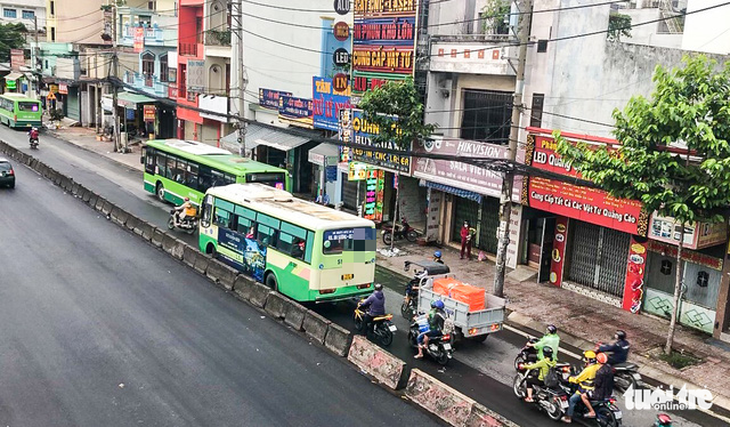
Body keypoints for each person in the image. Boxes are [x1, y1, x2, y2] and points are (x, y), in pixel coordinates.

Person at [562, 350, 600, 424]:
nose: (585, 360)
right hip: (595, 388)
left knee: (572, 400)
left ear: (589, 360)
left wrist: (568, 379)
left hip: (585, 390)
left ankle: (568, 418)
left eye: (586, 358)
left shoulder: (588, 370)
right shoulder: (597, 366)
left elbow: (577, 379)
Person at [579, 352, 614, 420]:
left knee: (583, 396)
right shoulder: (610, 369)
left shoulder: (599, 372)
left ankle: (592, 412)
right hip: (609, 392)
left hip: (598, 394)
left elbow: (597, 384)